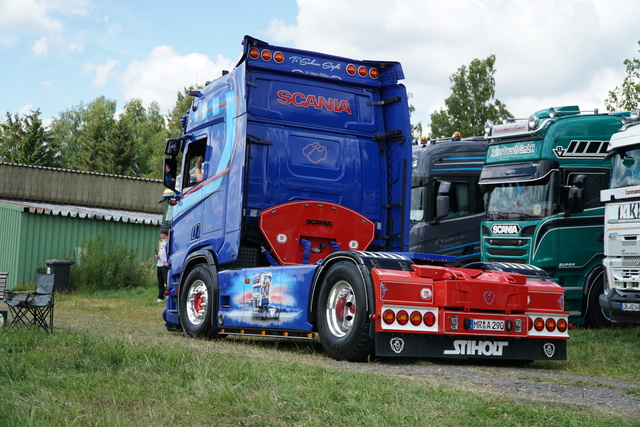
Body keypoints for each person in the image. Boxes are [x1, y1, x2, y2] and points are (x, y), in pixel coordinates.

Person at [155, 230, 170, 302]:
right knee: (160, 281)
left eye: (161, 233)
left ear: (165, 234)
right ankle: (160, 297)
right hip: (159, 264)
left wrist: (169, 262)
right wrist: (158, 256)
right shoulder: (162, 242)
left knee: (166, 281)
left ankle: (168, 296)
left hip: (165, 265)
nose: (160, 235)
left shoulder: (169, 242)